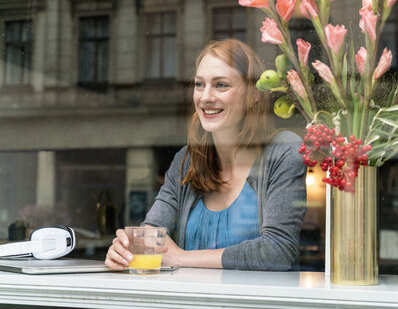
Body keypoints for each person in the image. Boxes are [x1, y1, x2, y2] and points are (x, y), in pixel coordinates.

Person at [105, 39, 307, 271]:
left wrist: (181, 259)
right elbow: (153, 232)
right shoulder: (187, 160)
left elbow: (278, 250)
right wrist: (127, 249)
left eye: (221, 85)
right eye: (199, 84)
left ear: (253, 95)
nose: (205, 97)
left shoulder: (284, 150)